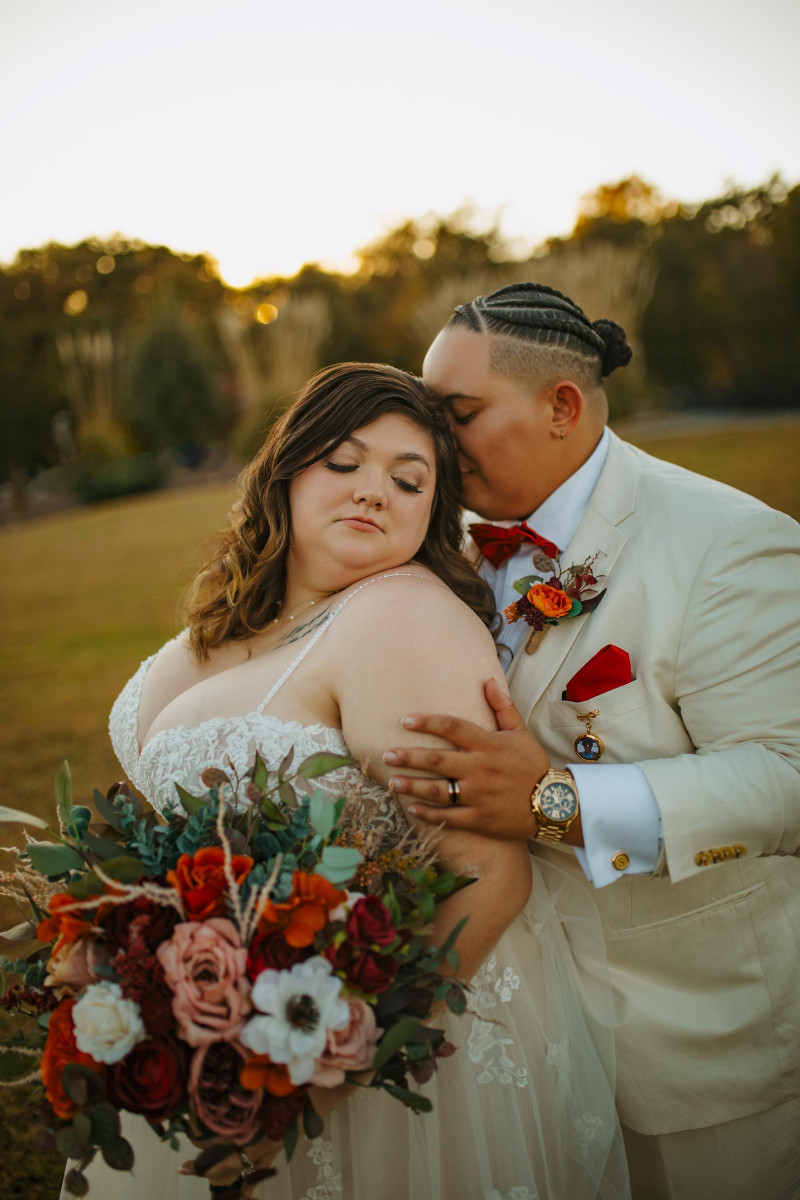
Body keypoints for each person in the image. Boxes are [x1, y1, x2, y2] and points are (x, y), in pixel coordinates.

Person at [65, 363, 630, 1199]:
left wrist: (330, 1069)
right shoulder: (239, 611)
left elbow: (488, 873)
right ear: (288, 470)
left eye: (409, 480)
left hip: (362, 1072)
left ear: (432, 513)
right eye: (345, 463)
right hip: (205, 1025)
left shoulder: (403, 617)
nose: (374, 492)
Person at [385, 283, 800, 1200]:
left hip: (693, 1049)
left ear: (562, 407)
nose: (430, 445)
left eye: (457, 415)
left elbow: (787, 777)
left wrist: (556, 801)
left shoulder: (725, 543)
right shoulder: (432, 539)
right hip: (520, 1050)